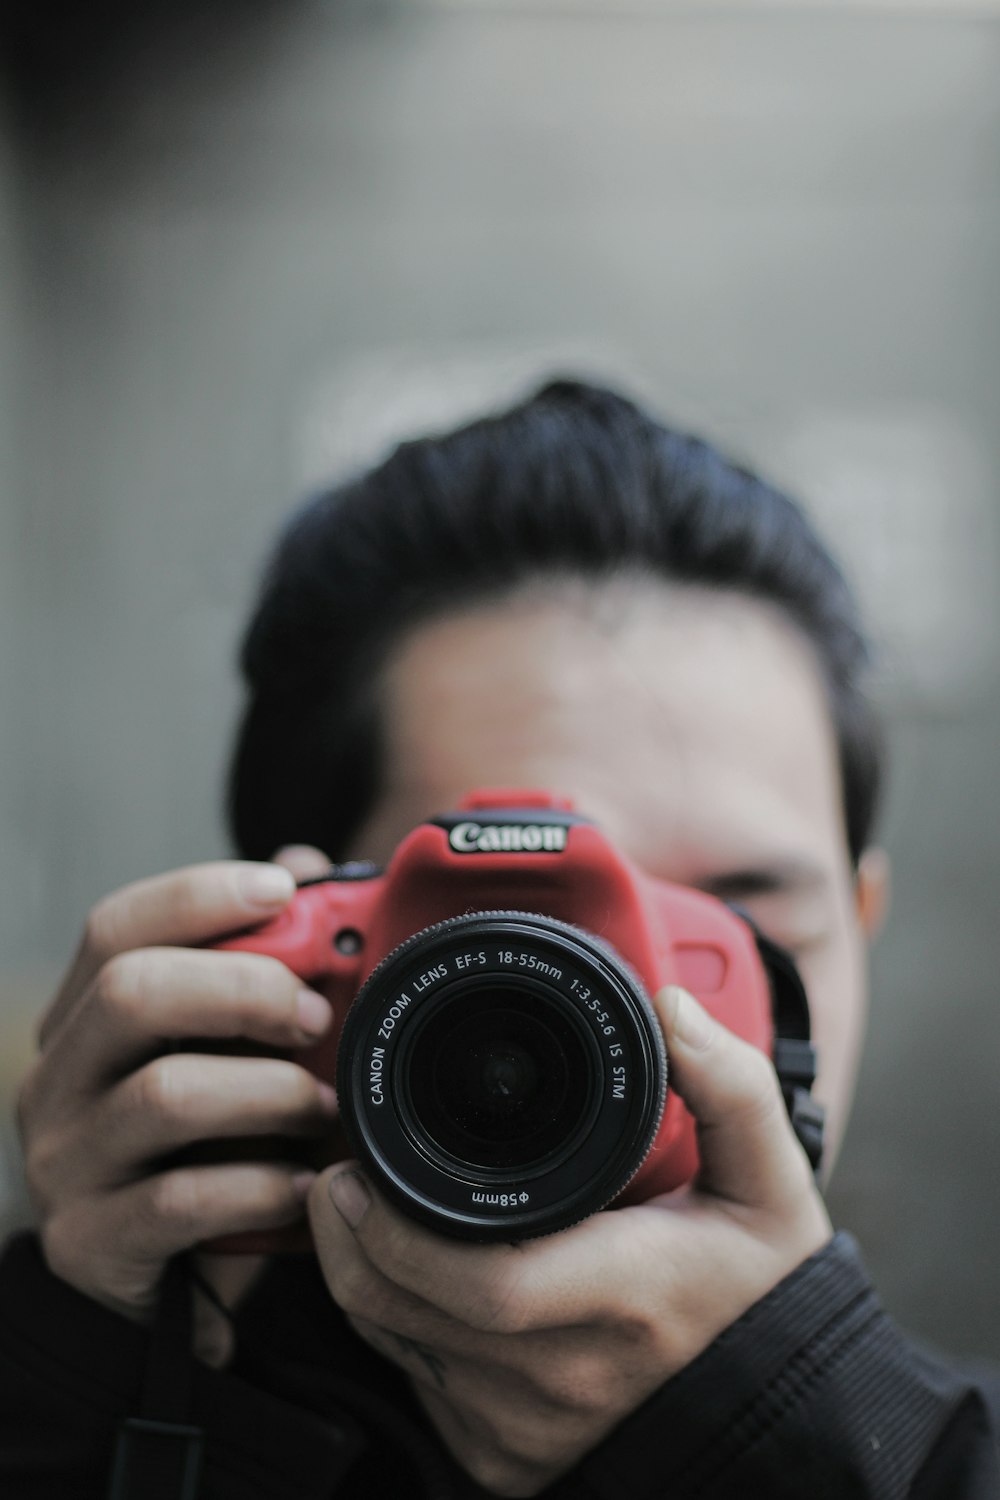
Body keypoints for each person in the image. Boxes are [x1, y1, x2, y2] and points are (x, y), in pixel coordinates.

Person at [2, 379, 997, 1499]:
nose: (618, 1005)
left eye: (727, 921)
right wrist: (104, 1389)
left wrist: (793, 1437)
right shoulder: (92, 1407)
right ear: (293, 943)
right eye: (525, 919)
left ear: (857, 928)